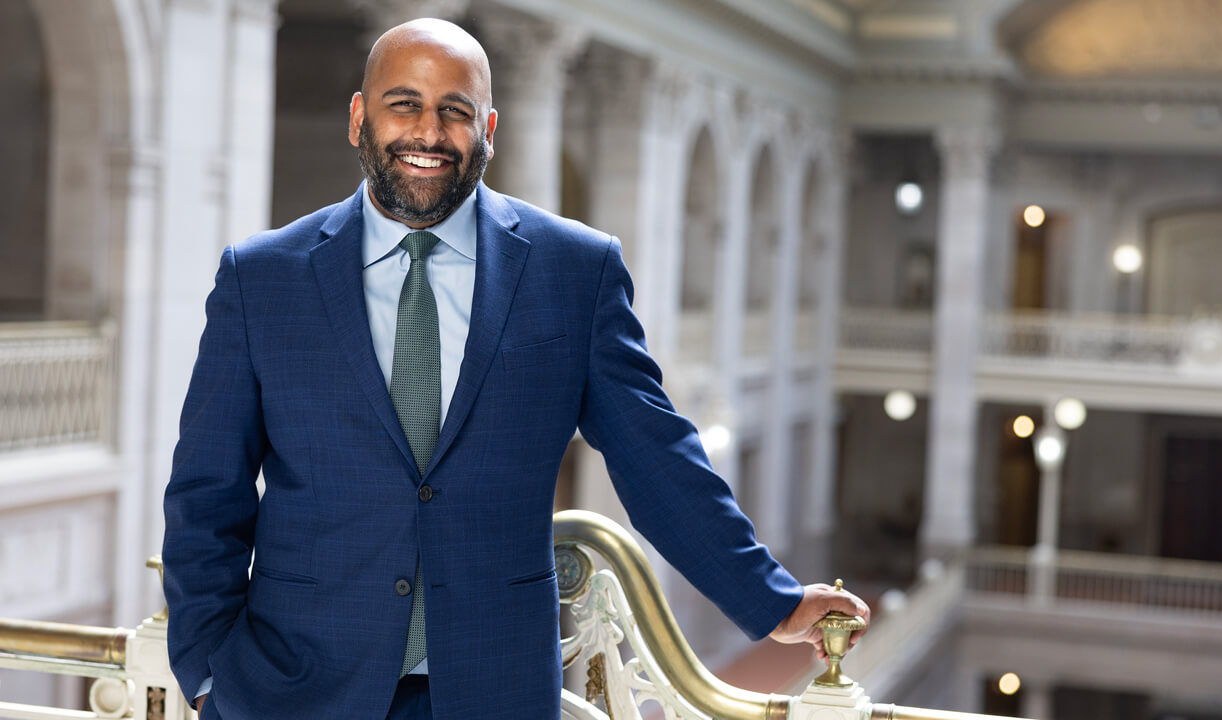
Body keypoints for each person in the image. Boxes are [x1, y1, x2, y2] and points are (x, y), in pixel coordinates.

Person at [162, 18, 868, 720]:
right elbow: (206, 494)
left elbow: (656, 456)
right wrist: (205, 673)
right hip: (293, 692)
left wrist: (770, 598)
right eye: (403, 103)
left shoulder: (574, 271)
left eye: (455, 111)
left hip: (493, 691)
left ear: (488, 128)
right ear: (359, 117)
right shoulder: (262, 279)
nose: (429, 133)